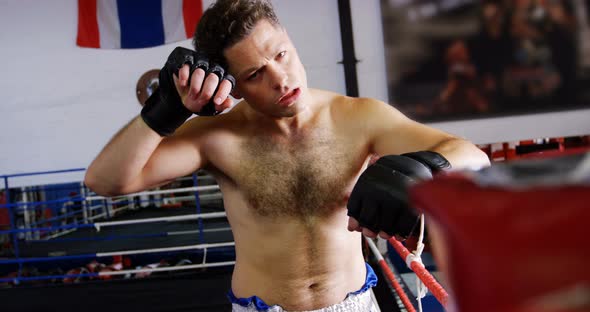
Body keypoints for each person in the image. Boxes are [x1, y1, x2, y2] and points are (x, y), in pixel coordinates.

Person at [84, 0, 490, 311]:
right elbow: (105, 181)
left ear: (290, 41)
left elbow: (473, 157)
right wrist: (162, 115)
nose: (281, 79)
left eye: (280, 55)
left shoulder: (358, 117)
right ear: (234, 87)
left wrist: (424, 168)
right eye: (255, 74)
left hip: (351, 304)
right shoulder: (217, 136)